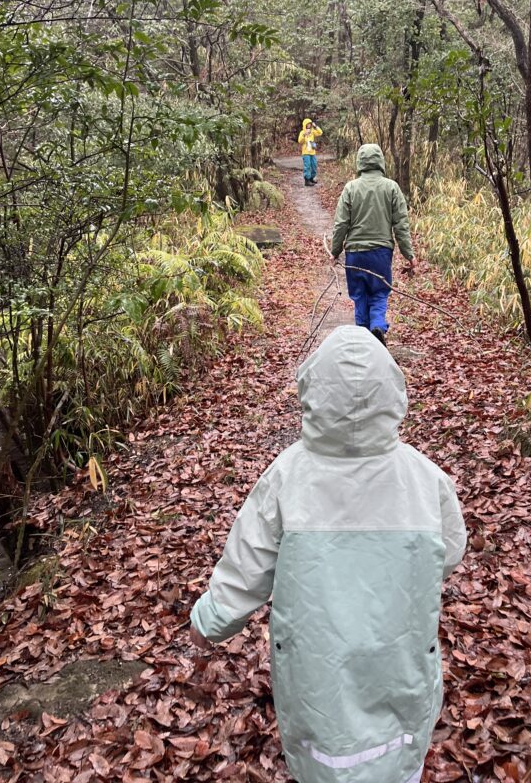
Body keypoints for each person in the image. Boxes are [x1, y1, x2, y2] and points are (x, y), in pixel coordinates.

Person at [189, 326, 466, 783]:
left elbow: (247, 562)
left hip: (315, 661)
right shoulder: (425, 479)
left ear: (312, 388)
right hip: (399, 650)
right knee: (397, 749)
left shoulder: (287, 476)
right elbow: (452, 552)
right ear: (392, 391)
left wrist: (210, 620)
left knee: (323, 750)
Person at [331, 143, 416, 345]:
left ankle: (363, 338)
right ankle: (377, 325)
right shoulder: (391, 187)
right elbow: (401, 225)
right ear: (380, 161)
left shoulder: (351, 188)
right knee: (379, 293)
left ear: (360, 162)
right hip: (381, 253)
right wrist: (409, 255)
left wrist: (335, 250)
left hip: (355, 254)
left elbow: (341, 224)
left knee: (359, 295)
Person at [298, 117, 323, 186]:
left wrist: (315, 126)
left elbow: (320, 132)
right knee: (307, 166)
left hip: (312, 152)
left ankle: (311, 178)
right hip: (306, 152)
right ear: (305, 125)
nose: (309, 125)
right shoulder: (302, 132)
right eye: (308, 124)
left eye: (310, 124)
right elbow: (300, 141)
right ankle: (307, 180)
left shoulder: (312, 132)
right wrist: (304, 134)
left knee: (314, 165)